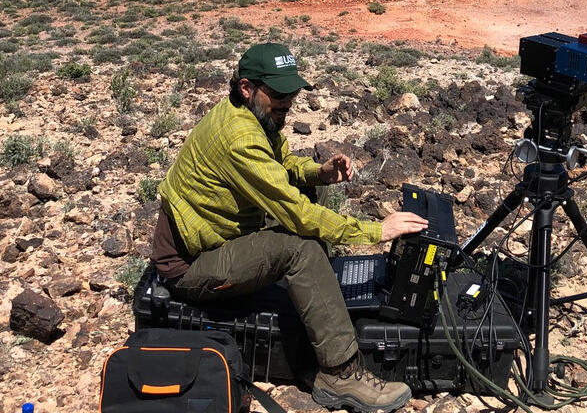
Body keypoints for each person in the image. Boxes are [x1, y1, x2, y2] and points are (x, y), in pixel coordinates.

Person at [151, 42, 428, 413]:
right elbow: (296, 214)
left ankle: (320, 313)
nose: (288, 103)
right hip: (189, 265)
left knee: (305, 206)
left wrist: (319, 172)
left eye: (292, 93)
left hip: (216, 236)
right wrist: (376, 231)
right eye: (280, 94)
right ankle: (340, 374)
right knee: (303, 246)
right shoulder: (240, 137)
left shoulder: (249, 113)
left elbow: (281, 163)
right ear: (248, 88)